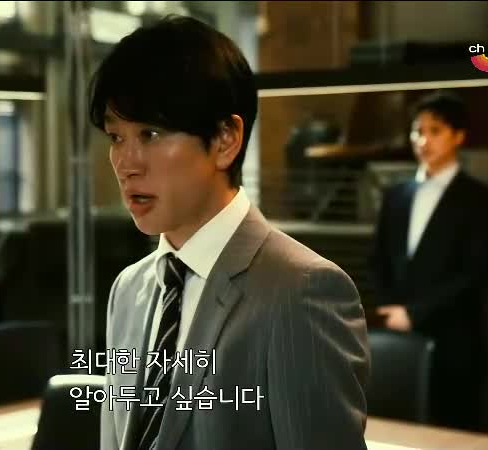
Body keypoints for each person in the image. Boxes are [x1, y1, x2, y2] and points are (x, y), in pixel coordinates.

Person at [91, 16, 370, 450]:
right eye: (115, 137)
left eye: (150, 133)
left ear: (225, 139)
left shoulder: (302, 291)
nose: (126, 163)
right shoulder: (129, 290)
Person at [371, 91, 488, 431]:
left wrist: (415, 314)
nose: (423, 140)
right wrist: (388, 309)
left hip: (455, 344)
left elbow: (475, 275)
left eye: (435, 131)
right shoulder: (395, 195)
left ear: (458, 136)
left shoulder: (481, 199)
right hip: (396, 341)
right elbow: (378, 261)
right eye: (418, 131)